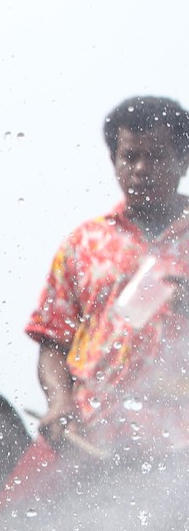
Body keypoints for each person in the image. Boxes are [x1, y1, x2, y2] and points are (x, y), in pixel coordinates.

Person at [23, 95, 189, 461]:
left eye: (157, 156)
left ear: (184, 161)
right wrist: (60, 402)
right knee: (11, 514)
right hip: (92, 434)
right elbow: (53, 342)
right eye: (130, 157)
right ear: (113, 161)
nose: (142, 169)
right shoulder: (84, 244)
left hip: (180, 442)